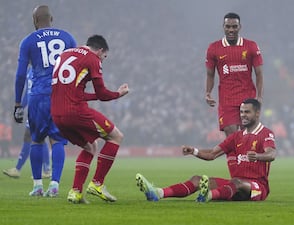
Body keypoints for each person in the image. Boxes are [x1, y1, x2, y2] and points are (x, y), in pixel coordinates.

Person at [136, 99, 276, 202]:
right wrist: (194, 151)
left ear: (257, 113)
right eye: (241, 112)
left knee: (236, 183)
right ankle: (157, 193)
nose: (243, 115)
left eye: (247, 112)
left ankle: (207, 196)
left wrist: (258, 156)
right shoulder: (236, 137)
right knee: (197, 179)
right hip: (236, 183)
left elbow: (271, 154)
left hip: (257, 187)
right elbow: (212, 154)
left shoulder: (266, 133)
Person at [51, 34, 129, 204]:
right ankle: (97, 184)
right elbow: (102, 94)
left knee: (90, 146)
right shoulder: (92, 59)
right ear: (100, 50)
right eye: (104, 57)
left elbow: (74, 92)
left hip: (56, 114)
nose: (103, 60)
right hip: (75, 112)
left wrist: (94, 97)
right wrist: (118, 94)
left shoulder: (66, 54)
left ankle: (76, 192)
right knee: (116, 136)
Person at [14, 5, 76, 197]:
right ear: (52, 18)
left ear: (35, 21)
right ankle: (55, 185)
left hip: (38, 95)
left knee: (36, 140)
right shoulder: (67, 37)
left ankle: (37, 186)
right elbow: (77, 67)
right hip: (60, 94)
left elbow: (20, 75)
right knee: (57, 140)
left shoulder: (28, 41)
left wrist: (17, 103)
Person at [204, 12, 264, 176]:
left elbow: (259, 73)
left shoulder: (251, 46)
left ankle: (248, 175)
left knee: (247, 139)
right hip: (227, 100)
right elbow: (210, 74)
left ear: (240, 27)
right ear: (223, 27)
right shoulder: (214, 48)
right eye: (228, 26)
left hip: (248, 98)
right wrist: (208, 92)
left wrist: (259, 97)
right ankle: (236, 177)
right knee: (232, 136)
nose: (231, 29)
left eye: (234, 26)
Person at [4, 68, 51, 179]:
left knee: (34, 137)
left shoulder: (43, 69)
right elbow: (27, 92)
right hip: (33, 109)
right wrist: (21, 107)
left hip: (40, 107)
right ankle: (44, 169)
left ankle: (20, 169)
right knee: (33, 137)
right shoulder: (30, 70)